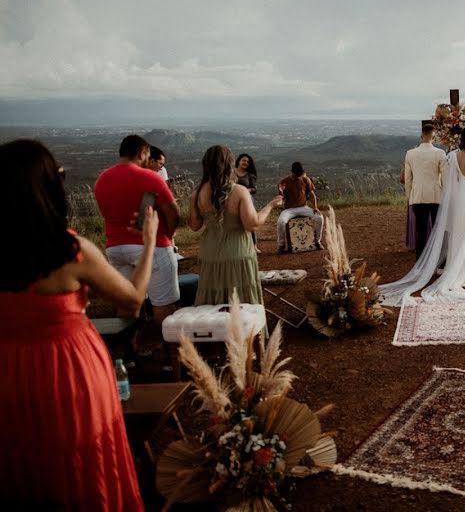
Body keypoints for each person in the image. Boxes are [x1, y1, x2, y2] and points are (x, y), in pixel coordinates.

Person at [0, 139, 153, 511]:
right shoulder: (70, 250)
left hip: (8, 378)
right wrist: (149, 243)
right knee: (83, 464)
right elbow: (132, 300)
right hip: (69, 376)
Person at [380, 125, 465, 306]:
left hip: (446, 200)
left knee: (450, 231)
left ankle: (439, 264)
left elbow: (445, 180)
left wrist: (413, 195)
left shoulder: (450, 156)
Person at [94, 134, 180, 326]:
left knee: (127, 303)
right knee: (163, 305)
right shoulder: (150, 178)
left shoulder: (102, 179)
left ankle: (129, 351)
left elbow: (105, 212)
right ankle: (169, 353)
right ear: (142, 153)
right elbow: (173, 213)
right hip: (151, 247)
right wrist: (169, 234)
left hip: (115, 248)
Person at [190, 146, 282, 305]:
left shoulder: (196, 193)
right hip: (237, 252)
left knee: (212, 302)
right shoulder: (239, 191)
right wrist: (271, 205)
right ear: (229, 165)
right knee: (241, 302)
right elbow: (252, 224)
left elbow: (194, 225)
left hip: (209, 253)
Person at [400, 124, 447, 259]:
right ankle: (439, 261)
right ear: (434, 137)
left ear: (421, 136)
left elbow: (408, 180)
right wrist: (446, 197)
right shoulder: (440, 153)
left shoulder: (410, 153)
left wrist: (410, 198)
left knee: (421, 231)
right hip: (436, 196)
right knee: (438, 230)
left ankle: (420, 263)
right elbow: (446, 180)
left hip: (418, 196)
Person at [276, 161, 324, 252]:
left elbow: (312, 194)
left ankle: (317, 241)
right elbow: (280, 198)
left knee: (319, 218)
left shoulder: (305, 179)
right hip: (289, 209)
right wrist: (281, 191)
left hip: (303, 207)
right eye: (297, 175)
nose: (298, 177)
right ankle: (281, 245)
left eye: (300, 175)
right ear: (292, 172)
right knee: (281, 222)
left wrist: (315, 207)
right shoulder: (284, 181)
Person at [235, 153, 261, 254]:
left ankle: (254, 246)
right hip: (232, 201)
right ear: (239, 161)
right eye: (243, 160)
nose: (245, 162)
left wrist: (247, 191)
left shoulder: (250, 175)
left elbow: (254, 189)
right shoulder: (231, 173)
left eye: (247, 161)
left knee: (250, 222)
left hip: (247, 200)